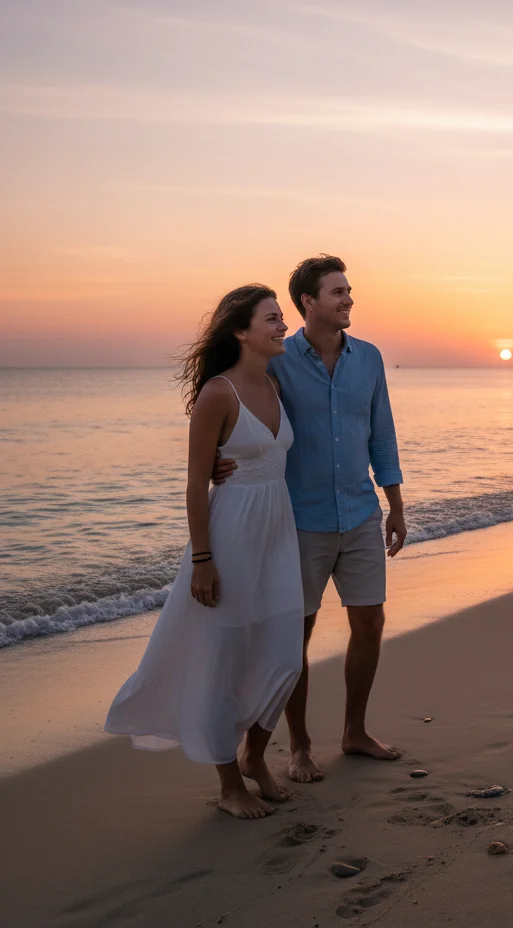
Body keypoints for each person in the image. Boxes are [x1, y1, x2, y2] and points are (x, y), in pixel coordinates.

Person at [106, 285, 304, 819]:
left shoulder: (274, 383)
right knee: (225, 659)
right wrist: (202, 559)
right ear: (241, 331)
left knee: (285, 655)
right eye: (272, 319)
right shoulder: (219, 394)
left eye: (282, 318)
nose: (282, 326)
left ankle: (254, 758)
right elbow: (196, 484)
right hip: (232, 533)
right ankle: (228, 783)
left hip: (278, 533)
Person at [215, 255, 406, 783]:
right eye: (337, 291)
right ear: (308, 302)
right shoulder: (277, 358)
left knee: (370, 623)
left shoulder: (369, 358)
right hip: (299, 520)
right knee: (294, 636)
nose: (348, 299)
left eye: (349, 290)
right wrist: (215, 456)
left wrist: (395, 504)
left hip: (362, 512)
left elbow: (382, 434)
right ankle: (298, 746)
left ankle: (355, 731)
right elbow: (233, 402)